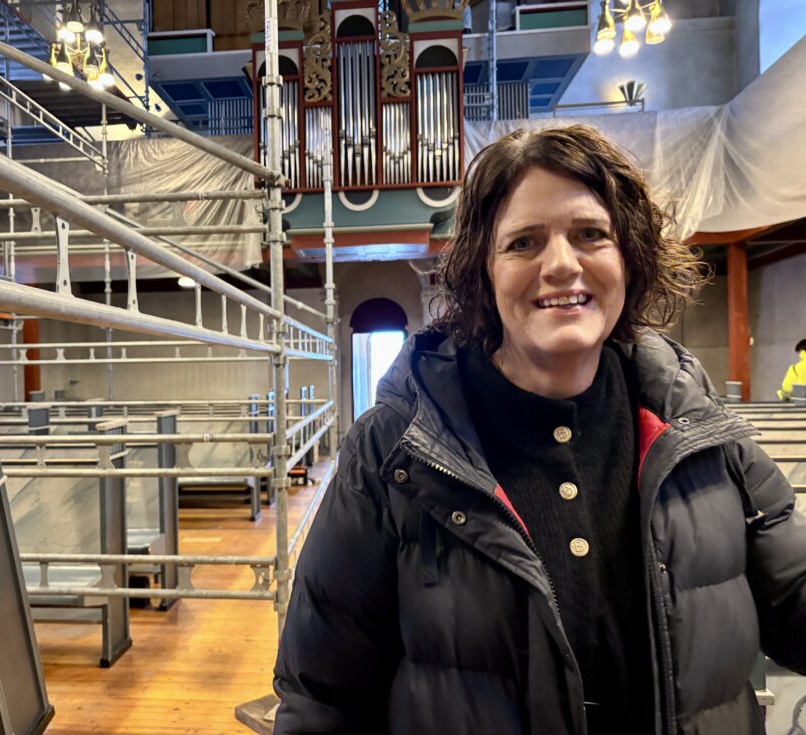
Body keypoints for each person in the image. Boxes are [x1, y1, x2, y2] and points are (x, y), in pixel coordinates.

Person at [273, 125, 806, 735]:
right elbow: (321, 697)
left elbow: (793, 597)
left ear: (628, 256)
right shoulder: (392, 449)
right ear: (484, 271)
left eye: (590, 234)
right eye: (523, 242)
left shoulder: (697, 423)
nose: (561, 265)